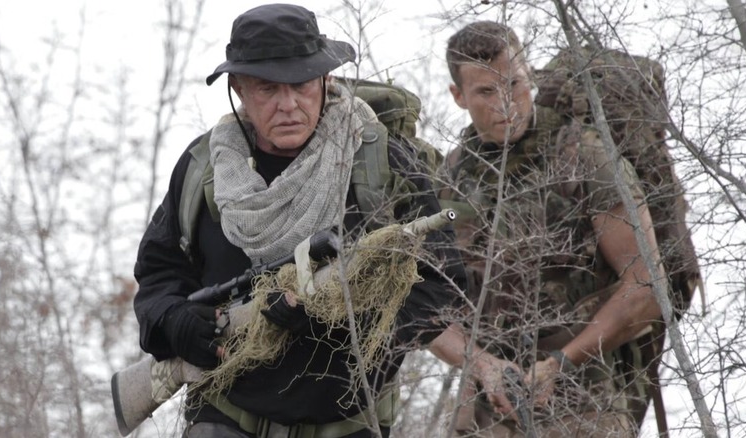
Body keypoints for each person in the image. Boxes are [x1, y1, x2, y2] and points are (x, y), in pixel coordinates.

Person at [131, 4, 471, 438]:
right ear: (239, 90)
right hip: (225, 419)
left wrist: (337, 320)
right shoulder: (204, 167)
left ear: (326, 81)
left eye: (302, 85)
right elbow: (159, 274)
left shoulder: (380, 162)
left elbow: (443, 289)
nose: (288, 104)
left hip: (346, 425)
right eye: (267, 88)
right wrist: (176, 323)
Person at [433, 21, 666, 437]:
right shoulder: (450, 178)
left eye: (515, 83)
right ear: (458, 96)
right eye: (486, 91)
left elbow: (646, 285)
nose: (506, 103)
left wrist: (561, 362)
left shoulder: (582, 154)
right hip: (489, 401)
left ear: (531, 78)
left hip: (586, 395)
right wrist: (481, 363)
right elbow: (425, 309)